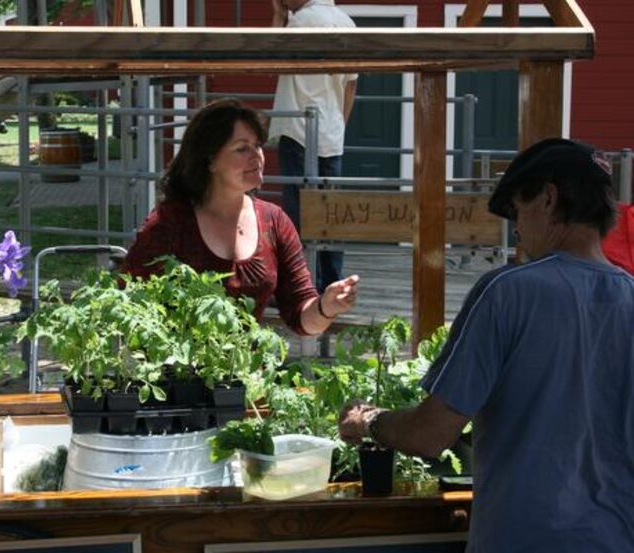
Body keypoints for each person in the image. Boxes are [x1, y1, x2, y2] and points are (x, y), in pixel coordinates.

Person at [338, 138, 634, 552]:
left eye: (517, 211)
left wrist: (368, 421)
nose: (518, 229)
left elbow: (430, 434)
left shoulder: (508, 291)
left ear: (548, 198)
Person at [123, 98, 359, 336]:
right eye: (242, 148)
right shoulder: (169, 223)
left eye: (257, 146)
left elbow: (300, 315)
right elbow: (129, 303)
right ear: (210, 160)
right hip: (179, 368)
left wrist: (326, 307)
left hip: (250, 369)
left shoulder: (274, 221)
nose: (257, 157)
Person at [269, 0, 358, 293]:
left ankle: (298, 285)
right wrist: (339, 125)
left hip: (298, 129)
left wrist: (278, 16)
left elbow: (272, 61)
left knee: (297, 212)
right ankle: (331, 281)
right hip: (332, 133)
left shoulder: (300, 21)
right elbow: (350, 85)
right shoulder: (347, 24)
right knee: (329, 212)